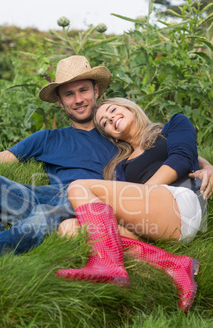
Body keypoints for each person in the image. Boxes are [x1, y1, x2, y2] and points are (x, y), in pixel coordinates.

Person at [0, 56, 212, 271]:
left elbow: (167, 145)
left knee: (52, 211)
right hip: (45, 196)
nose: (78, 99)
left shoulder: (117, 133)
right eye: (69, 94)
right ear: (60, 103)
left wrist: (206, 165)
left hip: (93, 202)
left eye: (83, 90)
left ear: (96, 91)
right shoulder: (46, 138)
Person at [56, 98, 210, 313]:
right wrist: (138, 198)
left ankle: (108, 267)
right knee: (70, 229)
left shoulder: (172, 125)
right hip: (155, 222)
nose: (110, 118)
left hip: (182, 203)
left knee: (78, 188)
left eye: (112, 110)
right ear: (110, 134)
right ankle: (172, 262)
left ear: (128, 107)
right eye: (104, 123)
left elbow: (183, 156)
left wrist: (144, 192)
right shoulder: (120, 167)